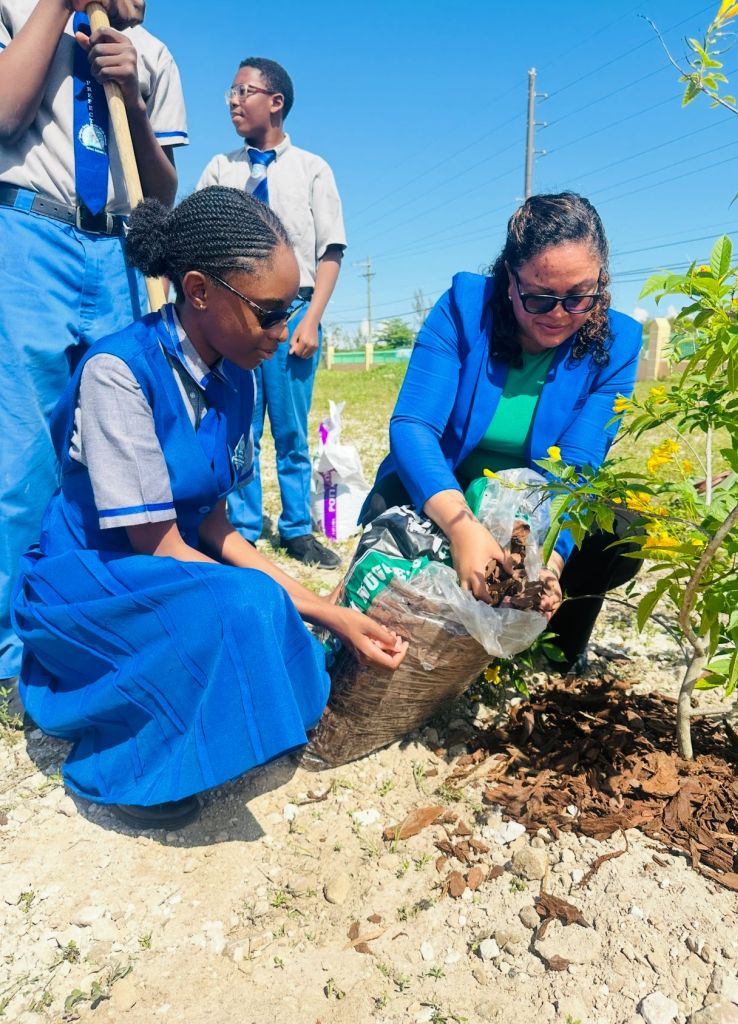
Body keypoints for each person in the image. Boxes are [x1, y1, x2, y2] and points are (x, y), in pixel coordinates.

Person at [12, 186, 406, 830]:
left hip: (168, 563)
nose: (283, 333)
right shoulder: (117, 372)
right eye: (269, 313)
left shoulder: (236, 375)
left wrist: (323, 608)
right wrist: (307, 608)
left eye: (293, 309)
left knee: (260, 604)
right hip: (92, 579)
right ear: (198, 290)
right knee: (244, 605)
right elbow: (160, 545)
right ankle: (135, 769)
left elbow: (216, 526)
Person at [363, 192, 644, 674]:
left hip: (532, 505)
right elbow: (413, 426)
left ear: (601, 281)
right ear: (508, 279)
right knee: (395, 534)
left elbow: (577, 465)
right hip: (444, 488)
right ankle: (440, 652)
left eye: (579, 296)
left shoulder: (616, 343)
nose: (559, 314)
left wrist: (551, 565)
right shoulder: (464, 307)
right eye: (538, 297)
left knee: (620, 533)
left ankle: (551, 653)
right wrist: (461, 527)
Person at [0, 0, 188, 683]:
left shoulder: (153, 54)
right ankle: (11, 651)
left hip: (118, 252)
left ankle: (98, 614)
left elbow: (160, 192)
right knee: (22, 456)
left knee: (116, 446)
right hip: (28, 233)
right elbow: (4, 115)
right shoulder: (17, 11)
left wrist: (132, 101)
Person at [197, 57, 346, 569]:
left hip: (294, 312)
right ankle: (239, 527)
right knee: (238, 423)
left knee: (290, 428)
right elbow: (200, 236)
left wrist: (311, 319)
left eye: (244, 91)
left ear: (275, 100)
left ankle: (297, 529)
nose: (234, 101)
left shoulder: (312, 169)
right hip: (235, 315)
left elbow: (330, 252)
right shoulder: (221, 168)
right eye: (230, 93)